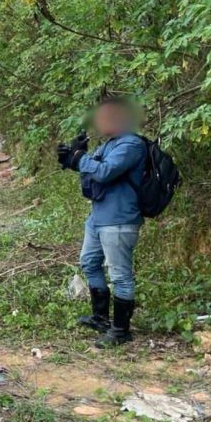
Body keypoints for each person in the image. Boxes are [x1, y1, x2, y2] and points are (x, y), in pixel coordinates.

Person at [57, 96, 146, 348]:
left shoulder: (132, 145)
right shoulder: (109, 144)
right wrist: (71, 157)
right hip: (98, 218)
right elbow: (90, 168)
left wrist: (78, 159)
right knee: (89, 262)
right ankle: (100, 317)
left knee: (120, 275)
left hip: (119, 220)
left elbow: (105, 172)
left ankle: (121, 330)